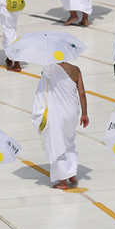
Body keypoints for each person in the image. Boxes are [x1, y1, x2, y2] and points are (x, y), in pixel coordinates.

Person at [32, 61, 89, 190]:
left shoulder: (49, 69)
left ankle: (63, 180)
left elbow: (43, 89)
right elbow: (82, 93)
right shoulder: (76, 69)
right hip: (72, 112)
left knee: (57, 142)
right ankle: (71, 174)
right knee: (69, 141)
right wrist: (85, 113)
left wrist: (44, 73)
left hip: (57, 112)